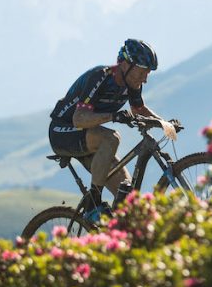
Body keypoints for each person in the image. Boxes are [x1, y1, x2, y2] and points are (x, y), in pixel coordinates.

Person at [48, 39, 164, 211]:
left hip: (88, 136)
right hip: (63, 132)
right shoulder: (100, 76)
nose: (144, 80)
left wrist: (164, 124)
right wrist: (113, 116)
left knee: (128, 197)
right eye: (141, 73)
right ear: (125, 65)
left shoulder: (132, 83)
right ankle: (93, 202)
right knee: (112, 138)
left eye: (147, 74)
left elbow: (139, 109)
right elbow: (79, 119)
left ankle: (111, 231)